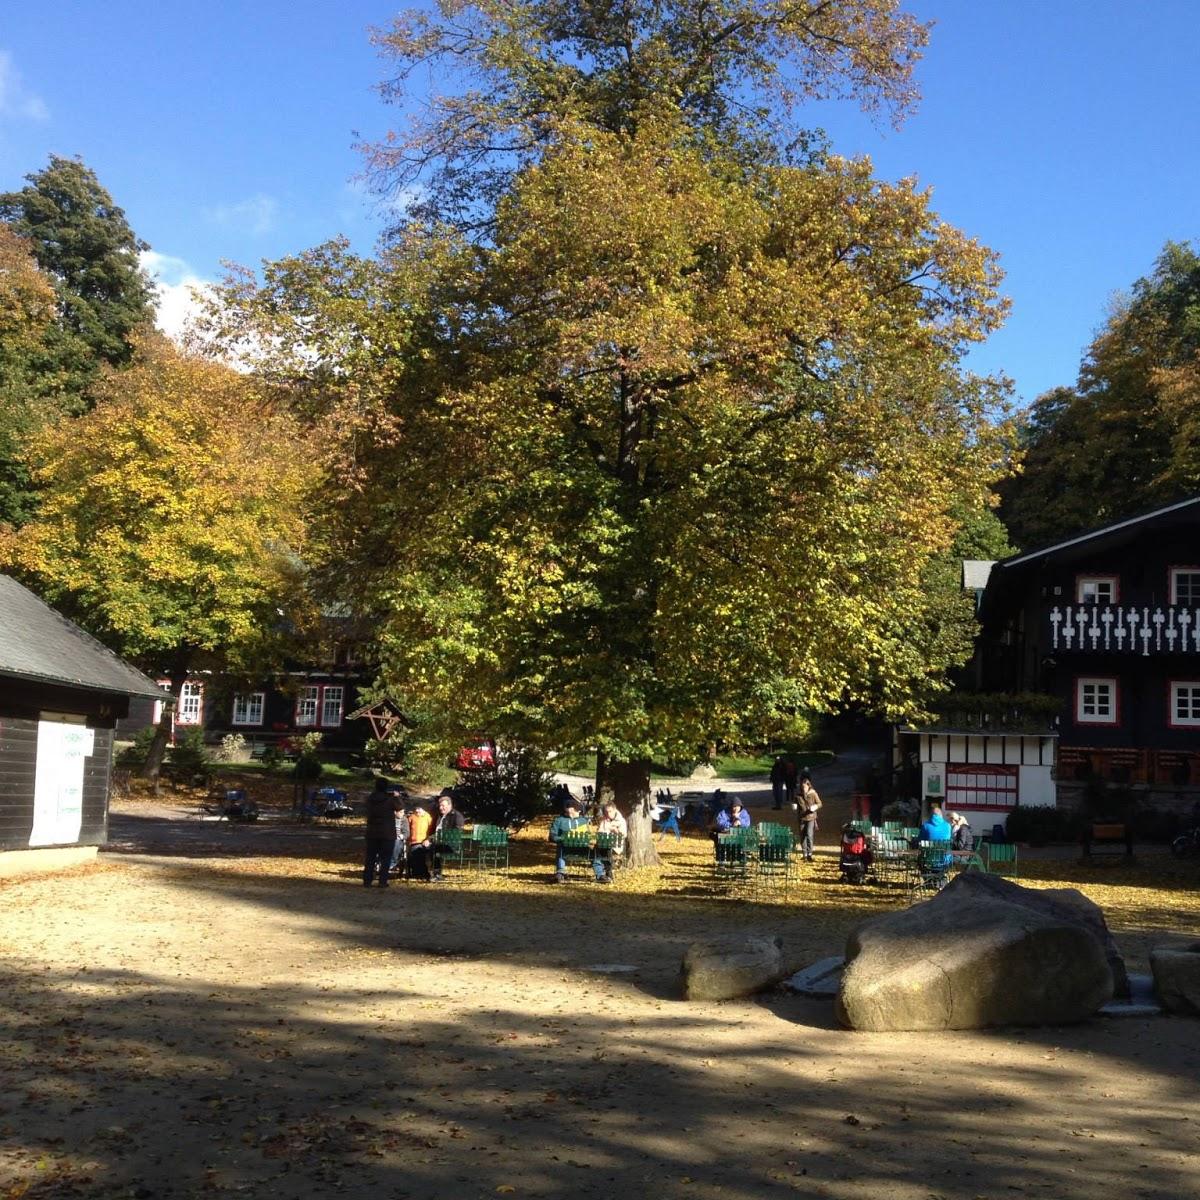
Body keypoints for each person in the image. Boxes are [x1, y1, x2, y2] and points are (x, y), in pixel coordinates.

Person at [363, 778, 403, 888]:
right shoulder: (390, 799)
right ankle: (382, 881)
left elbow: (366, 809)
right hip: (387, 833)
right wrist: (397, 796)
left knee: (370, 857)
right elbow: (400, 807)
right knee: (386, 858)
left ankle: (367, 880)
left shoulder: (370, 798)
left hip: (372, 832)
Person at [549, 798, 589, 883]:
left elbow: (588, 835)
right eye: (568, 813)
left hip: (582, 848)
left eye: (572, 813)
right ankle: (560, 872)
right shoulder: (559, 820)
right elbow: (552, 835)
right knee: (561, 848)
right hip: (566, 848)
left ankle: (600, 874)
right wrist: (562, 838)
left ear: (578, 811)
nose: (570, 815)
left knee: (597, 850)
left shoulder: (584, 821)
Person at [427, 792, 466, 881]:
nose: (441, 808)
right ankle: (421, 872)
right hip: (437, 841)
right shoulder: (438, 816)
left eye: (443, 806)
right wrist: (428, 839)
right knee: (418, 847)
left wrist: (436, 839)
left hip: (451, 844)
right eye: (440, 806)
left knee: (434, 849)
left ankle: (437, 874)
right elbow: (432, 830)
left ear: (450, 805)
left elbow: (457, 833)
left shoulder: (457, 816)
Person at [593, 800, 627, 883]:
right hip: (603, 843)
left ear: (615, 810)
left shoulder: (621, 821)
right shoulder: (604, 820)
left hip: (616, 845)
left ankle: (609, 873)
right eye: (606, 812)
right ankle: (600, 874)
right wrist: (601, 832)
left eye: (610, 811)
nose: (608, 813)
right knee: (595, 850)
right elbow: (600, 831)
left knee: (607, 850)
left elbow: (624, 835)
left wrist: (616, 831)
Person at [406, 799, 434, 880]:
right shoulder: (412, 817)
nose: (417, 810)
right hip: (414, 841)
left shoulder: (428, 817)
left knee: (427, 851)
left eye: (419, 808)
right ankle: (419, 873)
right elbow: (407, 829)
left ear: (424, 809)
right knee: (416, 851)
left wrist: (428, 839)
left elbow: (431, 830)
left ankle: (425, 873)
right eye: (416, 808)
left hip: (425, 841)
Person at [797, 773, 821, 861]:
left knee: (809, 834)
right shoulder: (798, 795)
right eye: (802, 787)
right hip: (801, 817)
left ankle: (810, 853)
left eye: (805, 787)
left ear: (808, 786)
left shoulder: (813, 794)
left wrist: (815, 807)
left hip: (811, 817)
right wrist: (794, 806)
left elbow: (819, 803)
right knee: (802, 835)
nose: (804, 789)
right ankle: (804, 854)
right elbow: (794, 802)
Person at [389, 786, 411, 876]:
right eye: (401, 812)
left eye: (403, 812)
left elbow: (407, 832)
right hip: (388, 837)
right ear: (395, 812)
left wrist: (401, 836)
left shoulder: (404, 819)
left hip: (398, 839)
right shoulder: (389, 819)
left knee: (396, 843)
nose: (402, 814)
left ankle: (392, 863)